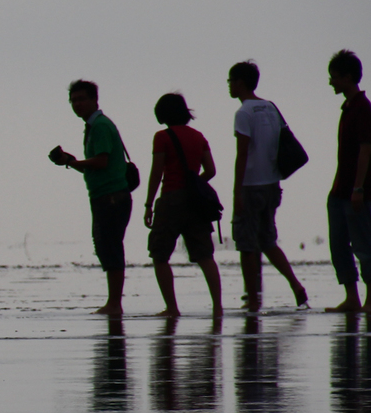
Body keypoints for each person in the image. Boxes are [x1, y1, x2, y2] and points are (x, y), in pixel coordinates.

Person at [228, 60, 307, 311]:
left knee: (246, 244)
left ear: (240, 82)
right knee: (268, 241)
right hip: (272, 183)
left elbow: (242, 154)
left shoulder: (243, 113)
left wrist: (236, 192)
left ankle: (252, 299)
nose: (229, 86)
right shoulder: (271, 107)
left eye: (230, 80)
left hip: (251, 185)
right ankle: (295, 285)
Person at [50, 80, 132, 315]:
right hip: (104, 194)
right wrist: (69, 161)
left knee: (110, 247)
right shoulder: (93, 126)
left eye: (81, 99)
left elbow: (102, 161)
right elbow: (94, 166)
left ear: (95, 100)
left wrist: (73, 162)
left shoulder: (100, 126)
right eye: (73, 100)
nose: (77, 104)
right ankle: (113, 302)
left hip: (112, 196)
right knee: (106, 246)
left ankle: (114, 304)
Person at [142, 92, 223, 317]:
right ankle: (218, 307)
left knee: (160, 255)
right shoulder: (199, 136)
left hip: (170, 199)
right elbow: (211, 170)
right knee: (205, 256)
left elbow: (157, 172)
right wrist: (196, 183)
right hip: (196, 201)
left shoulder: (162, 137)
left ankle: (172, 308)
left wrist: (148, 204)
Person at [323, 49, 371, 313]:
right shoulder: (348, 108)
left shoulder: (363, 109)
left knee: (364, 245)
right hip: (340, 190)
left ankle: (369, 299)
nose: (331, 82)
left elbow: (366, 149)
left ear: (348, 77)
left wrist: (358, 188)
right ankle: (351, 297)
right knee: (338, 245)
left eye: (334, 77)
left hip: (357, 191)